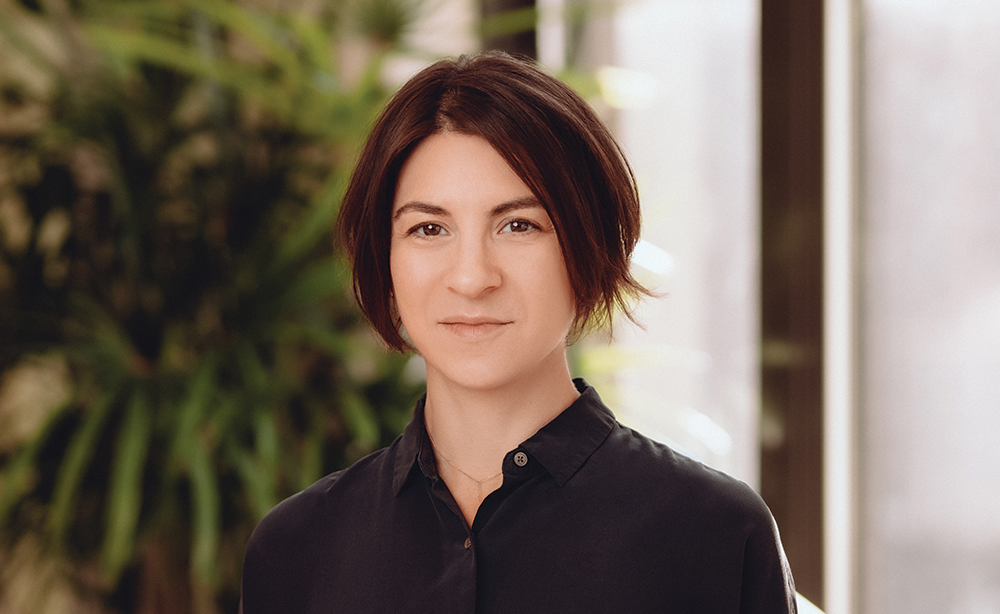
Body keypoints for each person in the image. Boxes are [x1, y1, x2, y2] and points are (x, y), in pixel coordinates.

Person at [240, 51, 797, 614]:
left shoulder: (717, 537)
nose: (472, 277)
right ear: (385, 262)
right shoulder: (296, 549)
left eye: (518, 225)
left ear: (586, 247)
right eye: (429, 228)